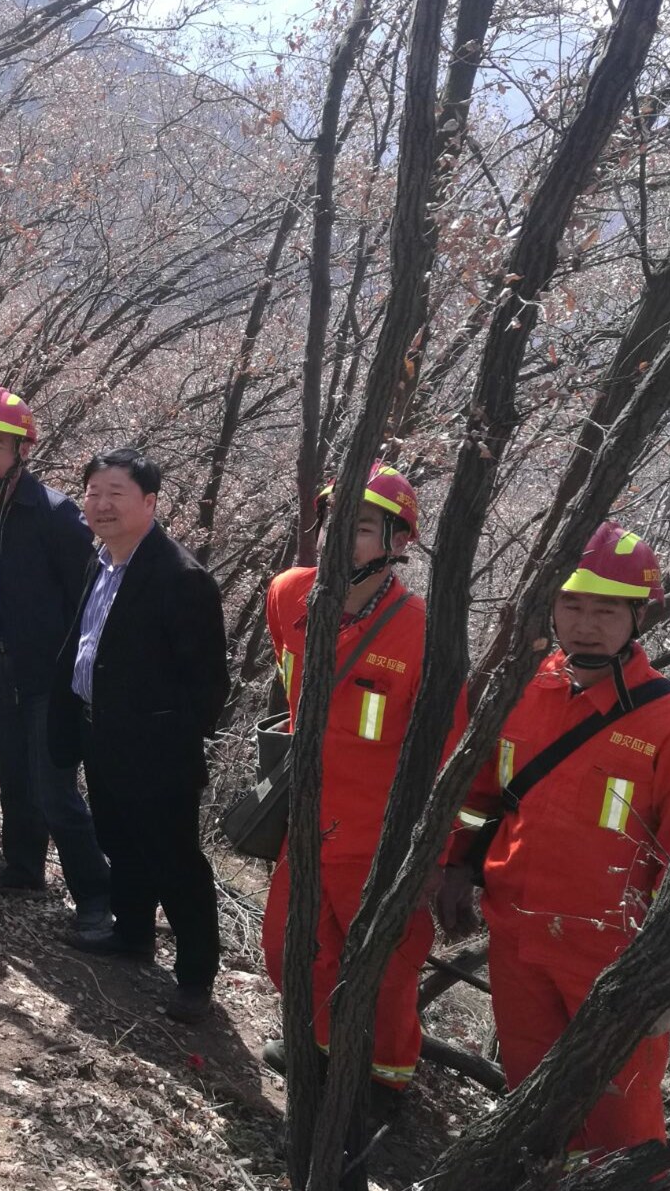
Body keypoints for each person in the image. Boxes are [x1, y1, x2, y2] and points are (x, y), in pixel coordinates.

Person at [437, 522, 670, 1160]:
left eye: (605, 610)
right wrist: (456, 867)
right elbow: (478, 796)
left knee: (621, 1131)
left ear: (639, 617)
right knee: (532, 1104)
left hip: (612, 962)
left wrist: (668, 975)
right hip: (517, 935)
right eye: (572, 605)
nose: (586, 625)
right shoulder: (523, 690)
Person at [259, 462, 467, 1100]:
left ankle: (382, 1080)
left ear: (398, 542)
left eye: (363, 526)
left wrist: (436, 857)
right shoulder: (288, 594)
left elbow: (451, 755)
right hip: (307, 819)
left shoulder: (426, 634)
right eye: (336, 520)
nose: (341, 536)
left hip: (382, 840)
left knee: (384, 970)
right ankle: (318, 1049)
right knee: (290, 947)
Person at [49, 449, 227, 1024]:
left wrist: (165, 742)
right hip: (100, 733)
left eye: (116, 494)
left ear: (149, 502)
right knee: (118, 841)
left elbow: (208, 687)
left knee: (174, 861)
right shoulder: (100, 560)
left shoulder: (181, 578)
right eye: (93, 492)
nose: (101, 504)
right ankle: (131, 935)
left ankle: (195, 977)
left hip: (157, 753)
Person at [0, 390, 111, 941]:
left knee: (54, 788)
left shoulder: (56, 513)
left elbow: (88, 595)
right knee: (12, 772)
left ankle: (96, 900)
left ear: (21, 449)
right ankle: (23, 869)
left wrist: (80, 672)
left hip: (48, 672)